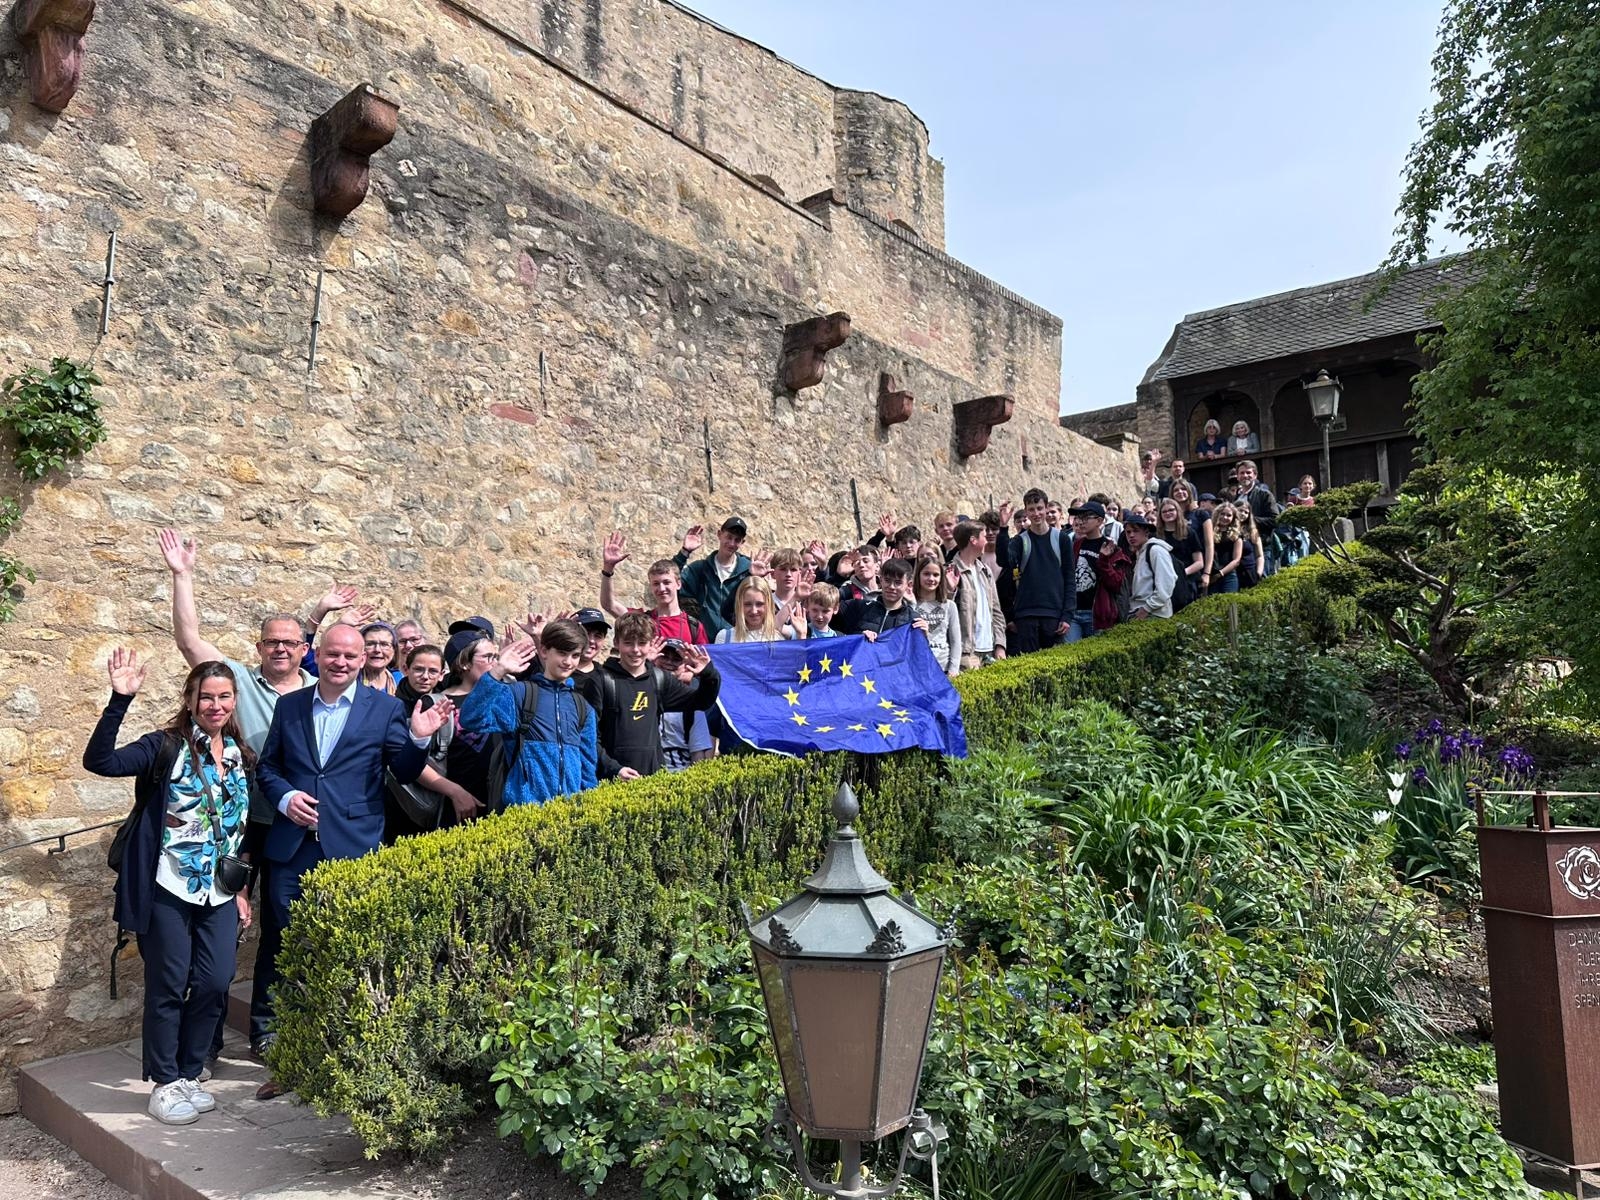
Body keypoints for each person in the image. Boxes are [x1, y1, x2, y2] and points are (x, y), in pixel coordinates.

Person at [250, 625, 451, 1066]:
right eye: (333, 654)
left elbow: (401, 768)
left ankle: (334, 1031)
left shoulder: (382, 709)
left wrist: (418, 738)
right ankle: (268, 1031)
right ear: (317, 656)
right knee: (280, 940)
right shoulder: (290, 706)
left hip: (353, 845)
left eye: (350, 656)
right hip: (291, 845)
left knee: (343, 941)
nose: (341, 662)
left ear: (364, 661)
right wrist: (284, 797)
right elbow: (268, 769)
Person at [86, 651, 254, 1125]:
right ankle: (164, 1082)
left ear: (234, 701)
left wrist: (242, 889)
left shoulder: (241, 756)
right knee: (167, 984)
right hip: (167, 889)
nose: (215, 705)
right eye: (207, 697)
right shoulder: (166, 746)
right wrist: (120, 699)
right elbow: (99, 761)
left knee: (216, 981)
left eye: (224, 697)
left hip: (219, 892)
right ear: (190, 699)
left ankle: (189, 1071)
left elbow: (241, 831)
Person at [458, 619, 599, 804]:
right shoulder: (520, 694)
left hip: (569, 816)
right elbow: (472, 719)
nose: (568, 662)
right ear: (544, 651)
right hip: (524, 814)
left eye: (575, 655)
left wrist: (588, 807)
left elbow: (588, 767)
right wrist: (498, 671)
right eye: (562, 653)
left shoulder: (582, 707)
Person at [592, 612, 720, 776]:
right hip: (613, 782)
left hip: (653, 779)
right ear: (616, 642)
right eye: (629, 643)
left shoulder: (660, 679)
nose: (636, 650)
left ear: (651, 643)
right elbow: (590, 737)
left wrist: (708, 674)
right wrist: (615, 769)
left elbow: (701, 702)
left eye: (642, 643)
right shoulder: (601, 680)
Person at [386, 644, 480, 837]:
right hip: (404, 800)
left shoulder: (446, 699)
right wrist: (454, 790)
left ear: (442, 674)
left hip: (442, 800)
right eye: (418, 669)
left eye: (432, 671)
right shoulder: (394, 707)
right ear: (405, 669)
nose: (425, 676)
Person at [993, 488, 1075, 654]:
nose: (1036, 513)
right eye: (1031, 509)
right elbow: (1003, 560)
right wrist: (1002, 527)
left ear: (1046, 508)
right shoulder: (1020, 541)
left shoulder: (1061, 539)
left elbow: (1069, 579)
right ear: (1026, 512)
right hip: (1026, 614)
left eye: (1039, 508)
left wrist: (1067, 615)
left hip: (1053, 613)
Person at [598, 533, 710, 645]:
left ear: (678, 584)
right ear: (651, 587)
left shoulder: (694, 627)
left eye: (667, 582)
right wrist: (608, 568)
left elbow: (702, 661)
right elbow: (609, 605)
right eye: (656, 583)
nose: (661, 588)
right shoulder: (643, 619)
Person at [672, 517, 751, 640]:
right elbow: (670, 583)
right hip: (704, 642)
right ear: (719, 534)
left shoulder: (748, 571)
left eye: (737, 540)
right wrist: (684, 552)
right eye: (729, 537)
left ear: (742, 542)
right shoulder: (700, 569)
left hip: (736, 643)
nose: (731, 543)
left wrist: (755, 576)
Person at [1066, 500, 1132, 639]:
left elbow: (1116, 584)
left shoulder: (1112, 549)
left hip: (1098, 614)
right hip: (1074, 613)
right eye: (1079, 517)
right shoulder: (1075, 546)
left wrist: (1103, 561)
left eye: (1086, 517)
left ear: (1099, 521)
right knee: (1070, 656)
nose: (1081, 522)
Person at [950, 520, 1005, 670]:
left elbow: (996, 610)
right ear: (973, 541)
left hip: (990, 650)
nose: (987, 541)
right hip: (967, 653)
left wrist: (1000, 645)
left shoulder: (985, 571)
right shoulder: (951, 572)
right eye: (984, 537)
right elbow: (945, 612)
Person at [656, 640, 716, 772]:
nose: (669, 662)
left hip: (679, 780)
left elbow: (699, 757)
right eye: (664, 656)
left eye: (676, 659)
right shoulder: (640, 695)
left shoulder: (692, 706)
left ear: (685, 666)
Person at [833, 557, 919, 641]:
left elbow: (917, 652)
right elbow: (825, 605)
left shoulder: (913, 620)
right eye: (887, 580)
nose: (892, 586)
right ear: (881, 580)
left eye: (898, 583)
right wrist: (858, 639)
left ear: (909, 585)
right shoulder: (857, 607)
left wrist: (923, 636)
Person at [911, 552, 962, 678]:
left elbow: (956, 641)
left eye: (936, 575)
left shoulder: (950, 606)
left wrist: (953, 669)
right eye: (926, 574)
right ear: (918, 576)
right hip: (917, 668)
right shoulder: (910, 605)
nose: (931, 579)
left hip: (943, 667)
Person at [1124, 512, 1177, 620]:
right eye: (1128, 532)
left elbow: (1166, 584)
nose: (1131, 535)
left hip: (1155, 614)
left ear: (1146, 532)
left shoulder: (1156, 551)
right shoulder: (1140, 553)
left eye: (1136, 531)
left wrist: (1146, 609)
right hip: (1140, 611)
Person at [1154, 498, 1205, 609]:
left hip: (1187, 581)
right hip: (1163, 584)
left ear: (1178, 511)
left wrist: (1181, 573)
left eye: (1171, 510)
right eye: (1164, 511)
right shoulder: (1156, 535)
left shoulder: (1189, 532)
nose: (1168, 513)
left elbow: (1199, 563)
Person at [716, 576, 782, 643]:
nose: (754, 611)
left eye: (759, 604)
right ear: (739, 605)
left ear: (768, 604)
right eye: (748, 604)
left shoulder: (779, 638)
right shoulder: (724, 638)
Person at [1209, 503, 1245, 593]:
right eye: (1222, 514)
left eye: (1229, 515)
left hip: (1229, 575)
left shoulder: (1237, 536)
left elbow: (1236, 560)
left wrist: (1220, 574)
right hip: (1211, 574)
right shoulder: (1209, 532)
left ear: (1233, 518)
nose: (1225, 517)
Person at [359, 622, 400, 694]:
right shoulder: (351, 680)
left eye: (384, 644)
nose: (377, 650)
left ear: (394, 650)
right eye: (370, 644)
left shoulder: (400, 681)